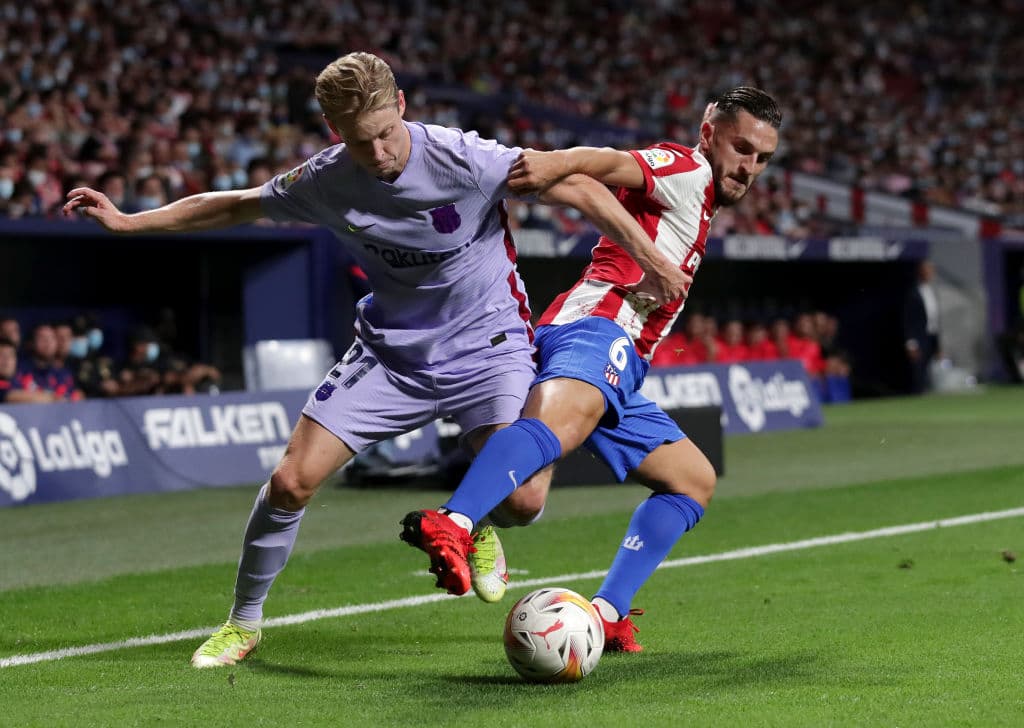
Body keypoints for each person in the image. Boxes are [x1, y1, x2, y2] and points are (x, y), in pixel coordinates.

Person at [62, 51, 689, 668]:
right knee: (290, 481)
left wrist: (652, 257)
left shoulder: (463, 158)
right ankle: (242, 624)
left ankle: (477, 520)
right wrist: (129, 221)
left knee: (525, 503)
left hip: (488, 345)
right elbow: (235, 203)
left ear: (403, 108)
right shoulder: (326, 179)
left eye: (387, 133)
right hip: (392, 353)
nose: (381, 153)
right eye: (362, 142)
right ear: (337, 134)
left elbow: (576, 184)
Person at [400, 87, 780, 652]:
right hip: (596, 328)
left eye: (762, 159)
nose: (748, 167)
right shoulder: (686, 168)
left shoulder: (702, 203)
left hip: (624, 363)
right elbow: (612, 164)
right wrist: (558, 160)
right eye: (742, 148)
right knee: (559, 431)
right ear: (709, 134)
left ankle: (605, 614)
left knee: (691, 481)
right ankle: (452, 524)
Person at [903, 259, 941, 394]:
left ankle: (925, 394)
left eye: (931, 270)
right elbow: (908, 319)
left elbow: (935, 320)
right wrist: (911, 343)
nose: (930, 273)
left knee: (930, 371)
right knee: (918, 371)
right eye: (926, 270)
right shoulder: (913, 293)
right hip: (919, 338)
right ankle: (916, 396)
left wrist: (938, 345)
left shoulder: (933, 292)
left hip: (931, 336)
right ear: (920, 272)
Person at [0, 337, 55, 404]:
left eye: (11, 355)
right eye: (2, 356)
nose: (7, 360)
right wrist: (52, 398)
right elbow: (11, 396)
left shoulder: (21, 379)